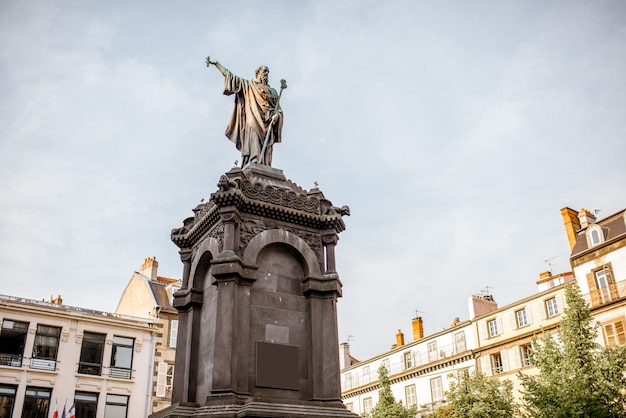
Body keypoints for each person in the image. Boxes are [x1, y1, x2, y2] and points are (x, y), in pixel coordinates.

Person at [206, 58, 284, 168]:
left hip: (269, 120)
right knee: (254, 137)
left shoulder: (273, 91)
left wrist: (277, 115)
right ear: (258, 73)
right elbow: (231, 76)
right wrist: (217, 64)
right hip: (253, 117)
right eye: (264, 71)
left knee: (266, 147)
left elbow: (278, 109)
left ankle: (264, 164)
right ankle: (254, 159)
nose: (266, 74)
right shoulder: (249, 85)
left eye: (267, 72)